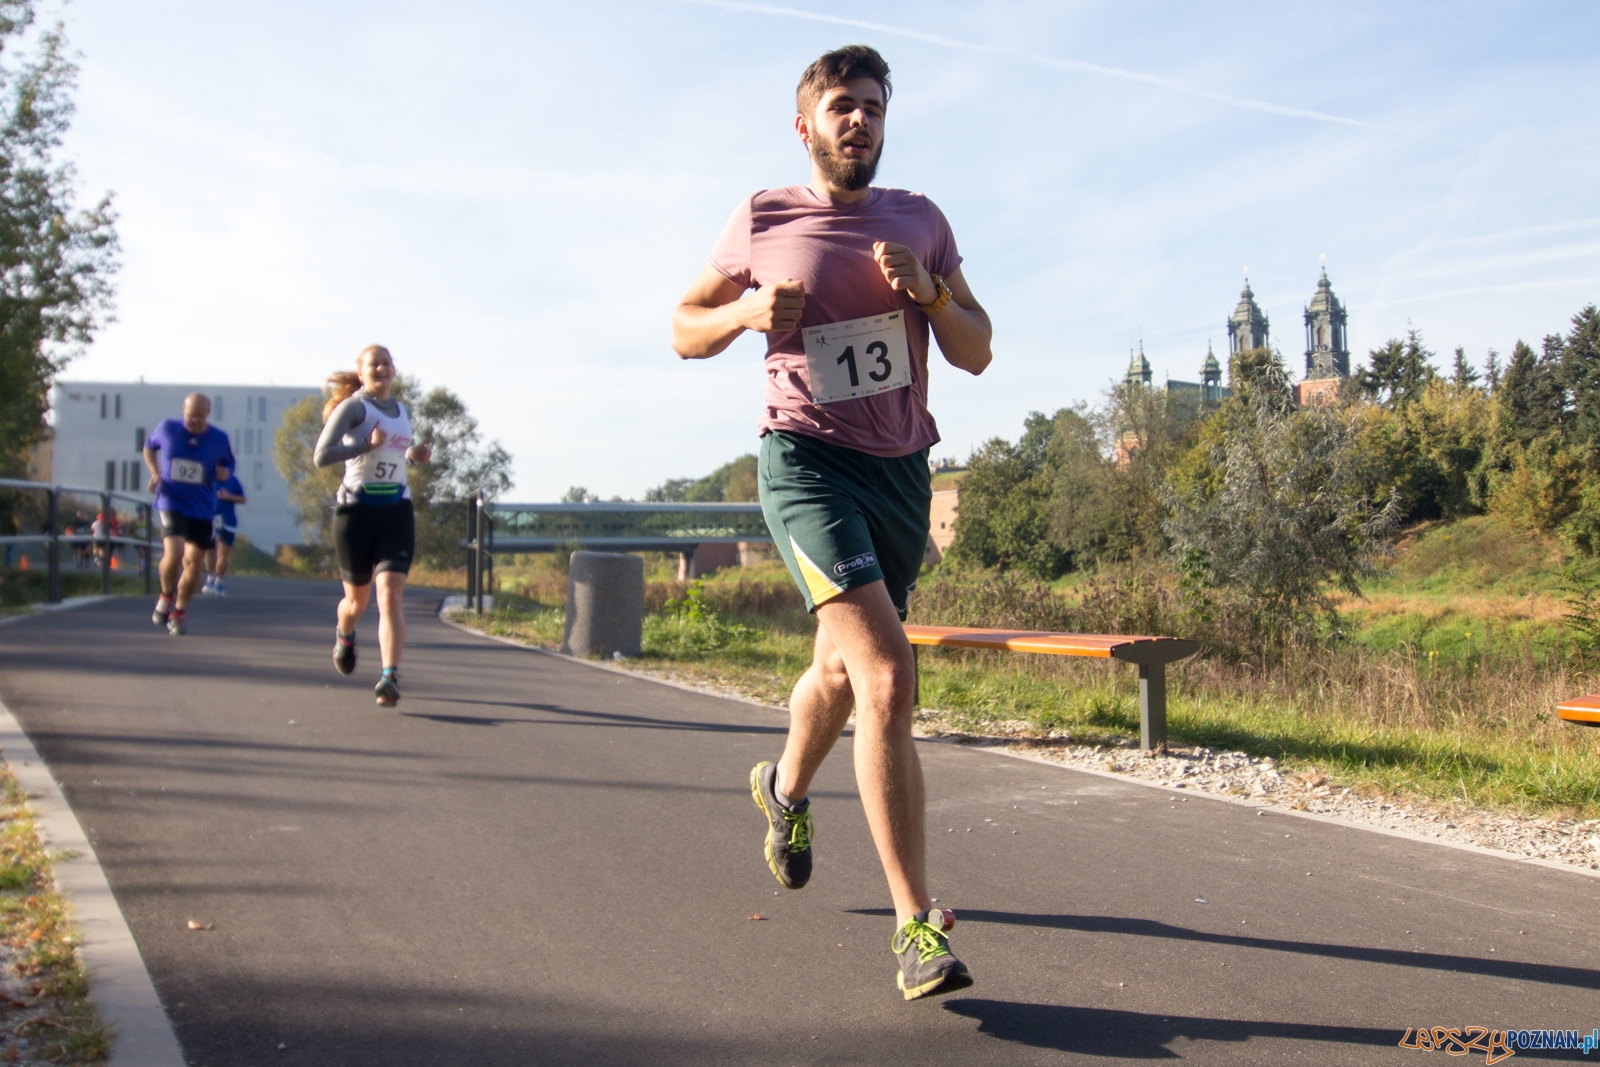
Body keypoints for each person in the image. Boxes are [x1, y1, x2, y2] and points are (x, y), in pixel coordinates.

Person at [670, 45, 993, 1001]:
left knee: (838, 669)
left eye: (873, 108)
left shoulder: (921, 221)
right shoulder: (763, 216)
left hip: (898, 471)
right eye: (842, 107)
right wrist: (746, 314)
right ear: (806, 123)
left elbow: (975, 350)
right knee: (889, 673)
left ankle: (783, 791)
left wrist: (929, 295)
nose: (859, 121)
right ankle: (915, 929)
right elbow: (683, 323)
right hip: (804, 462)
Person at [313, 345, 431, 707]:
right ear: (361, 373)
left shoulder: (402, 411)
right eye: (373, 364)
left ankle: (389, 677)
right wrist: (365, 444)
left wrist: (414, 455)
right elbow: (321, 456)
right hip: (356, 514)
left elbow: (395, 453)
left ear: (394, 370)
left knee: (390, 596)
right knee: (356, 602)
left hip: (395, 510)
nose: (380, 368)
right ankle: (345, 634)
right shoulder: (354, 408)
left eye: (386, 362)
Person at [144, 394, 236, 635]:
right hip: (171, 500)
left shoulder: (218, 438)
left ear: (208, 413)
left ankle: (179, 611)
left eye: (200, 416)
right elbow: (148, 447)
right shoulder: (167, 428)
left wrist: (224, 472)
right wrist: (155, 473)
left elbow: (229, 463)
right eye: (190, 415)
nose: (194, 421)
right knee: (173, 553)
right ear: (182, 409)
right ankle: (166, 595)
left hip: (202, 506)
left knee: (192, 561)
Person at [203, 472, 248, 595]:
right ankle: (210, 578)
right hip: (210, 518)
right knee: (210, 549)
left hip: (227, 520)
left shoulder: (233, 480)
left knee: (223, 553)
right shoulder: (208, 478)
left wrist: (228, 497)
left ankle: (219, 581)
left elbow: (243, 499)